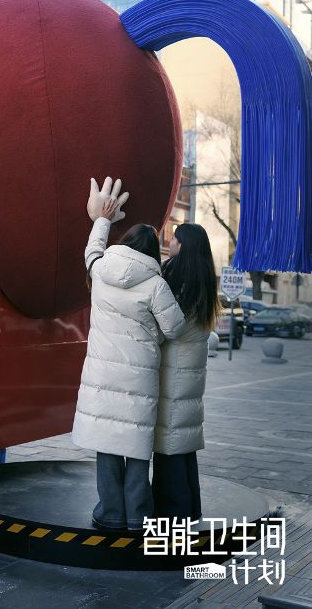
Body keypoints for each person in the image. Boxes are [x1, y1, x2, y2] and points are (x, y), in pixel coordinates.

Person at [72, 179, 185, 531]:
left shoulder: (102, 270)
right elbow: (175, 328)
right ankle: (138, 516)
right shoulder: (155, 284)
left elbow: (92, 249)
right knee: (136, 445)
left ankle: (109, 511)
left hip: (102, 376)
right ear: (153, 252)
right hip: (139, 377)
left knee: (106, 442)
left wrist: (102, 219)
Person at [152, 223, 220, 521]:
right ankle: (190, 509)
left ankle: (172, 513)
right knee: (182, 444)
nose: (171, 243)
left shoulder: (177, 276)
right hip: (190, 369)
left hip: (174, 370)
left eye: (175, 239)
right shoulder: (203, 275)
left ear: (184, 245)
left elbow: (167, 325)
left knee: (169, 444)